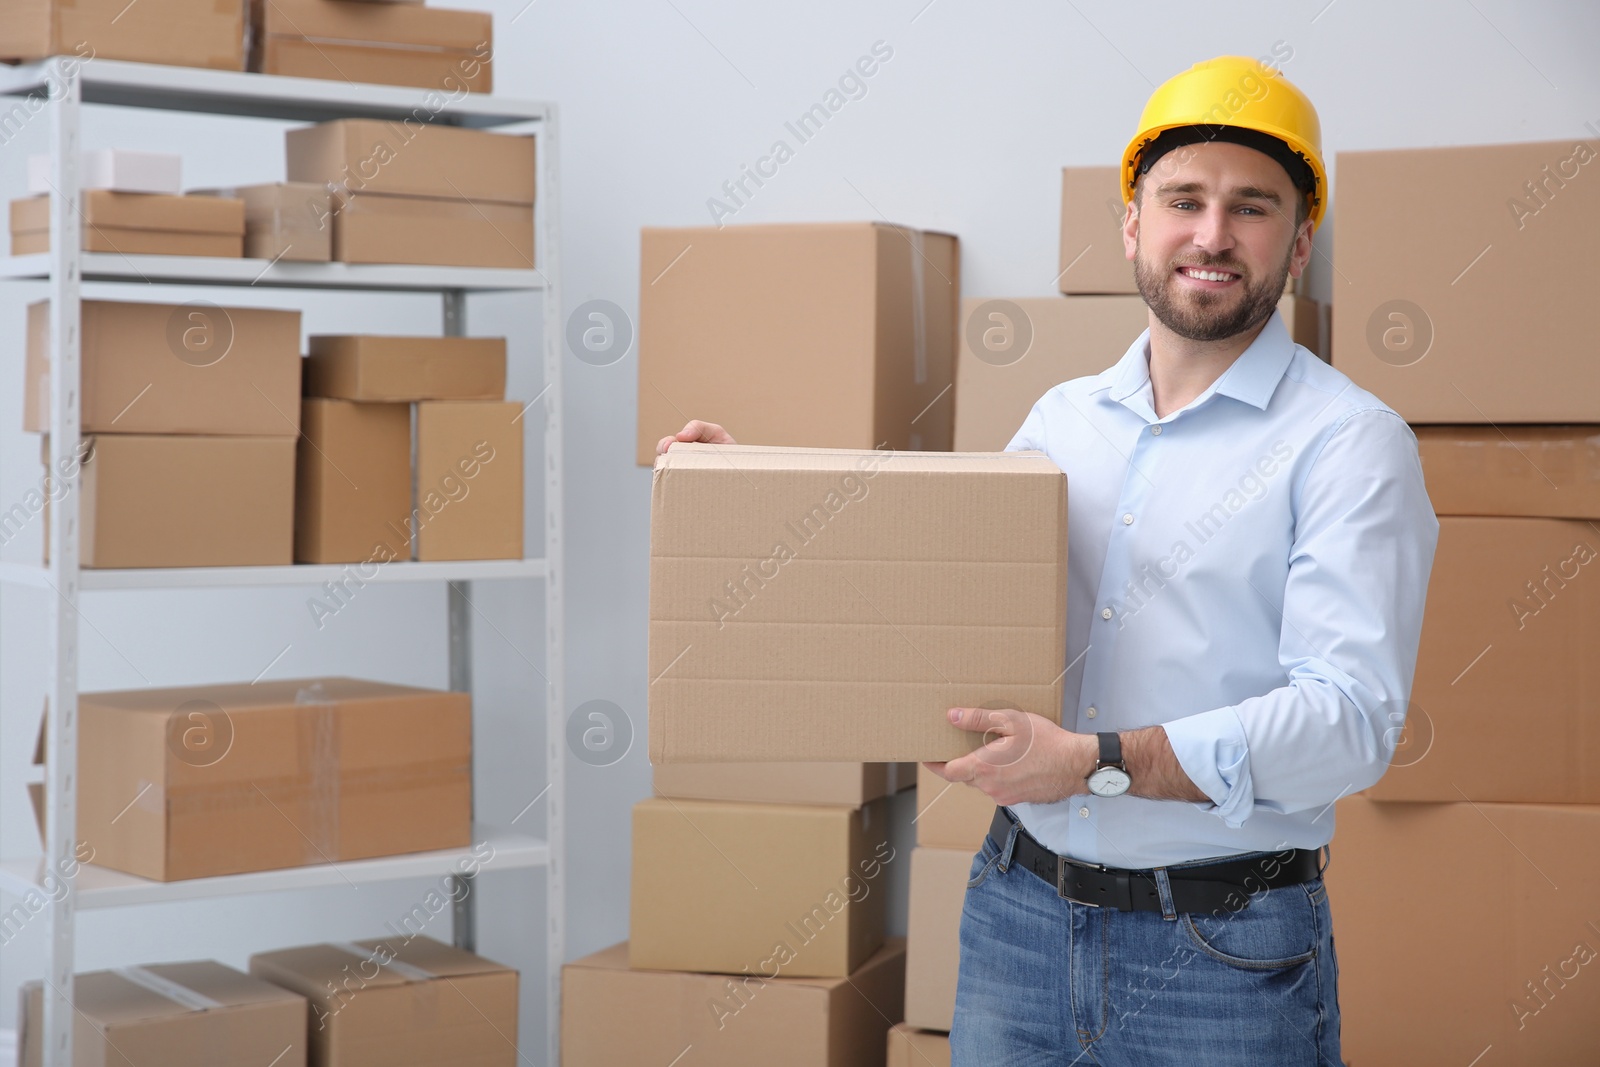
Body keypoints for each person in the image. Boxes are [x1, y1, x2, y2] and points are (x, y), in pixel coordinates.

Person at [658, 55, 1437, 1066]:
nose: (1210, 234)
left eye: (1250, 207)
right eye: (1182, 200)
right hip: (1016, 913)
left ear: (1298, 242)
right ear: (1131, 224)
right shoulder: (1062, 420)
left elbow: (1347, 724)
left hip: (1220, 948)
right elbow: (939, 583)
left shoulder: (1348, 442)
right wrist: (755, 491)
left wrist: (1097, 762)